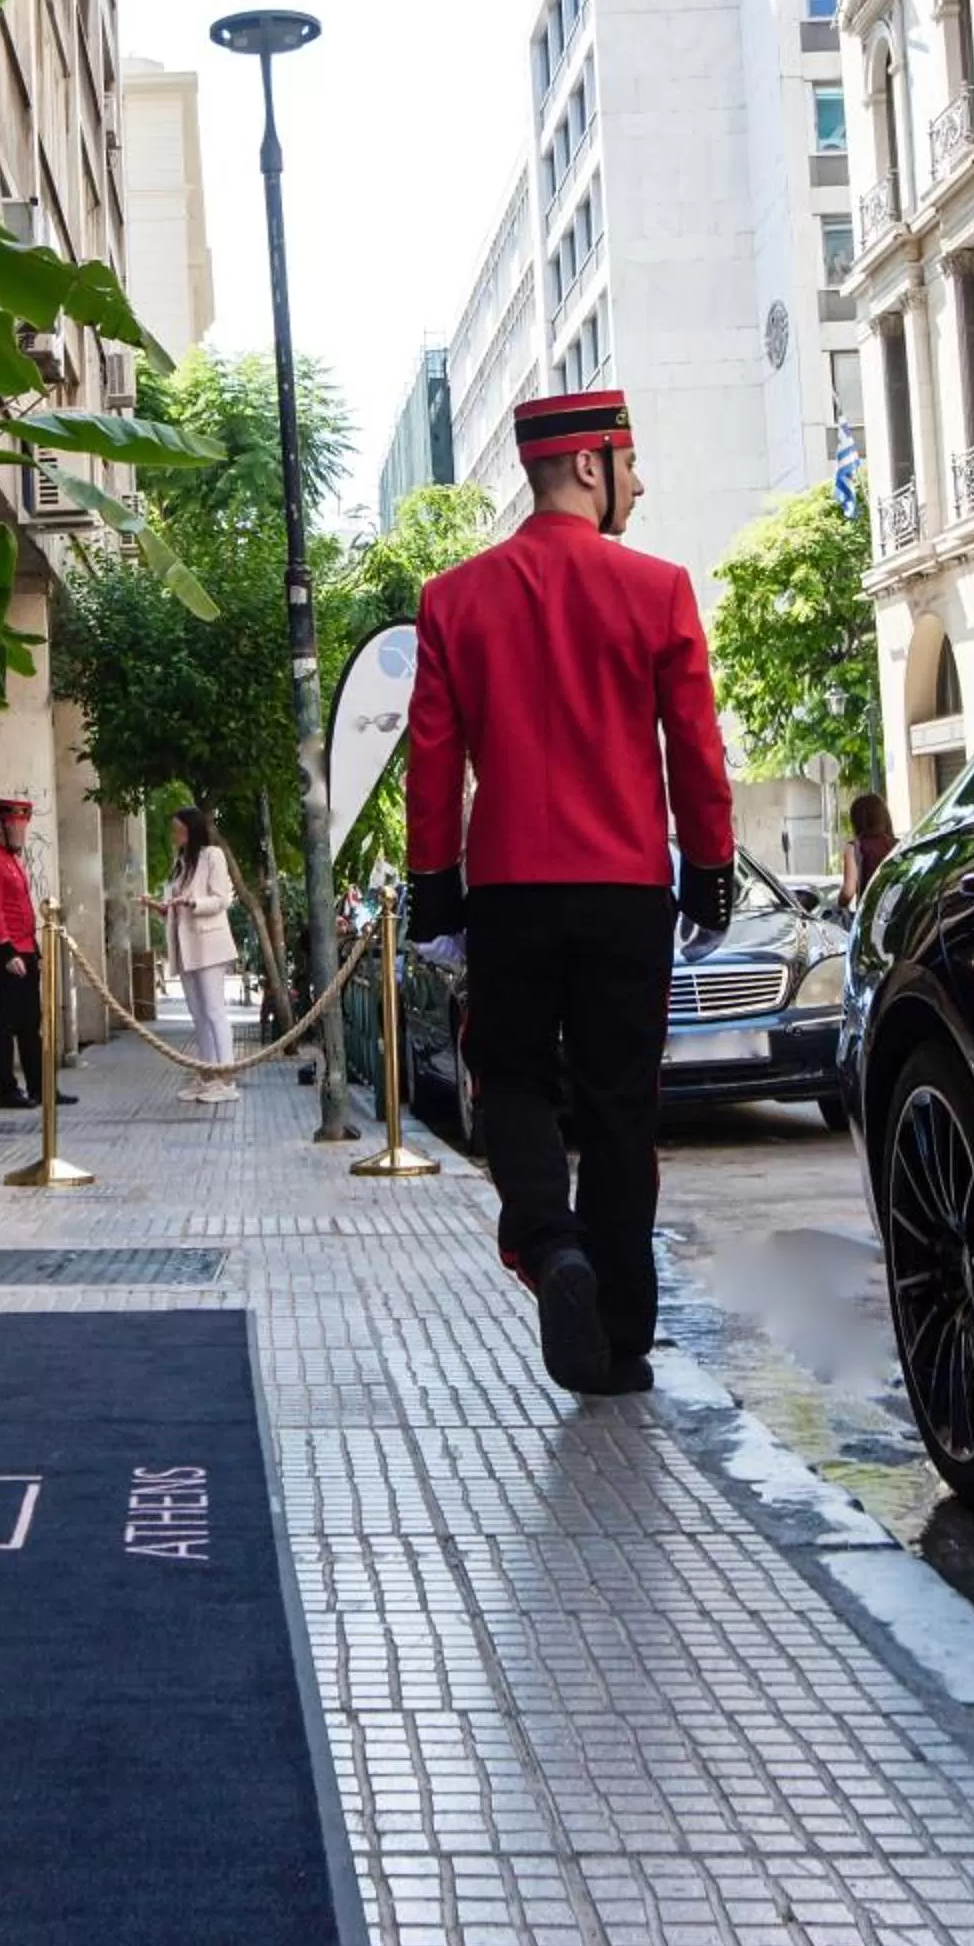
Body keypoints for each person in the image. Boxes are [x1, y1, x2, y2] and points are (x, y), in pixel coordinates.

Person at [405, 385, 734, 1398]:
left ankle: (552, 1251)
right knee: (618, 1105)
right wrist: (710, 868)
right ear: (588, 464)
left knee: (508, 1075)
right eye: (627, 464)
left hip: (507, 885)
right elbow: (694, 749)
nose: (635, 483)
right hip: (625, 888)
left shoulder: (452, 599)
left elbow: (432, 755)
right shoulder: (659, 589)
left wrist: (434, 890)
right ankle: (622, 1341)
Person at [0, 792, 76, 1113]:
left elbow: (23, 910)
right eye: (15, 826)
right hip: (4, 953)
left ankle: (41, 1086)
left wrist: (35, 955)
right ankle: (6, 1089)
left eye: (22, 827)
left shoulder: (12, 861)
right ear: (0, 827)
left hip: (25, 950)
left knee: (31, 1024)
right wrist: (7, 952)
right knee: (6, 1023)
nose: (20, 833)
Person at [146, 807, 240, 1107]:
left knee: (214, 1010)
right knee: (198, 1013)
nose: (174, 836)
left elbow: (221, 898)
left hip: (209, 943)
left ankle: (226, 1077)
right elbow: (176, 906)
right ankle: (207, 1074)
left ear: (191, 829)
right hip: (186, 945)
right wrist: (160, 907)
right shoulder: (182, 862)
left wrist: (193, 902)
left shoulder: (212, 856)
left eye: (178, 830)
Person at [837, 791, 896, 912]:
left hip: (870, 916)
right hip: (897, 912)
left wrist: (839, 904)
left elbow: (848, 891)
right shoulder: (897, 845)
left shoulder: (854, 847)